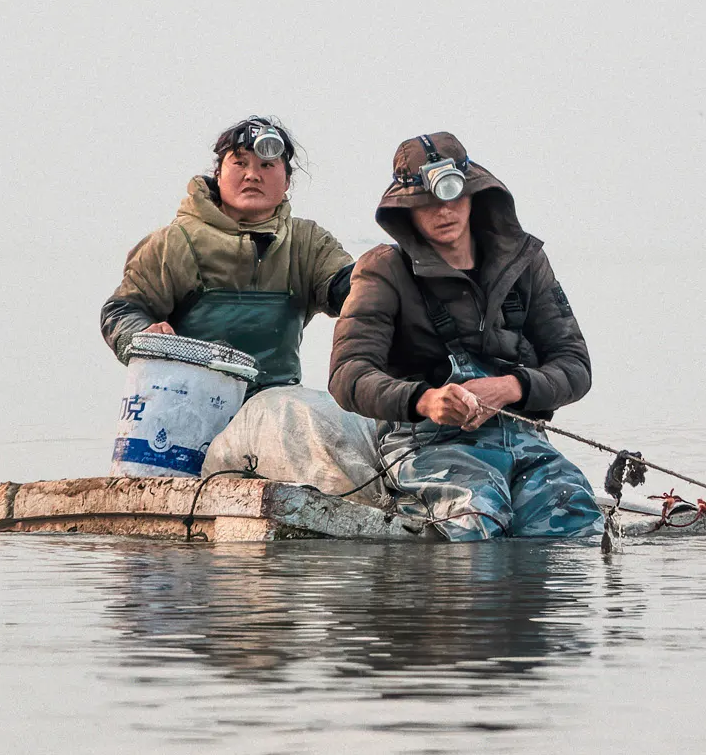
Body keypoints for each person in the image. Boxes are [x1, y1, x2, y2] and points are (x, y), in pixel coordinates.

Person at [329, 132, 602, 540]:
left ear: (474, 193)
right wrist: (425, 399)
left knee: (573, 516)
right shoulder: (382, 270)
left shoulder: (526, 262)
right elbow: (348, 375)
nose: (443, 211)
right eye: (426, 202)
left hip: (523, 438)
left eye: (453, 195)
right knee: (475, 518)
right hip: (427, 444)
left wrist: (512, 388)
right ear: (405, 209)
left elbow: (574, 366)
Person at [100, 116, 355, 391]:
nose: (252, 175)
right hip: (184, 403)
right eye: (240, 163)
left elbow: (356, 292)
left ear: (287, 182)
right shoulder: (174, 242)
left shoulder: (308, 243)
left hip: (276, 408)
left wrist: (389, 279)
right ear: (218, 173)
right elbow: (122, 309)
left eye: (267, 165)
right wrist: (142, 334)